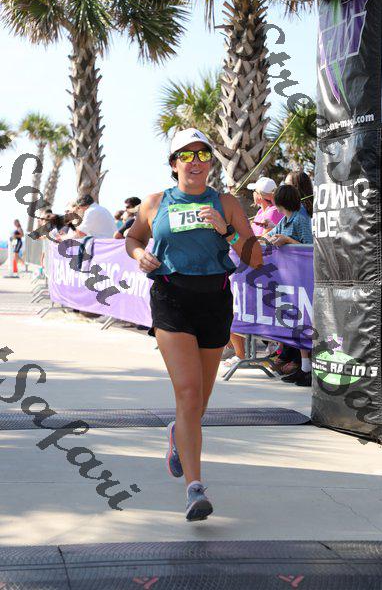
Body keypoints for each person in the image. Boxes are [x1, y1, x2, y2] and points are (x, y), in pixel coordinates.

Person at [126, 128, 263, 522]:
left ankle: (177, 433)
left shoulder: (227, 202)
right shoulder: (155, 203)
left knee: (198, 404)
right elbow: (132, 238)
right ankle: (195, 488)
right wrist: (139, 254)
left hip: (214, 301)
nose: (196, 161)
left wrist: (227, 230)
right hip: (171, 298)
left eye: (203, 154)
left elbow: (254, 258)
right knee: (187, 394)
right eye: (186, 155)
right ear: (174, 164)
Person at [222, 176, 284, 368]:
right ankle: (241, 354)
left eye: (255, 192)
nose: (253, 195)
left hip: (263, 271)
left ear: (261, 195)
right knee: (238, 307)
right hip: (249, 270)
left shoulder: (274, 212)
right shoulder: (260, 212)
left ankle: (262, 353)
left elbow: (264, 240)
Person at [267, 183, 313, 386]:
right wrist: (272, 238)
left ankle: (306, 368)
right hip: (288, 278)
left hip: (301, 277)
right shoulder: (285, 220)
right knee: (294, 322)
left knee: (303, 322)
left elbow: (309, 246)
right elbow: (271, 236)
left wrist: (287, 240)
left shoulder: (301, 219)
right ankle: (303, 367)